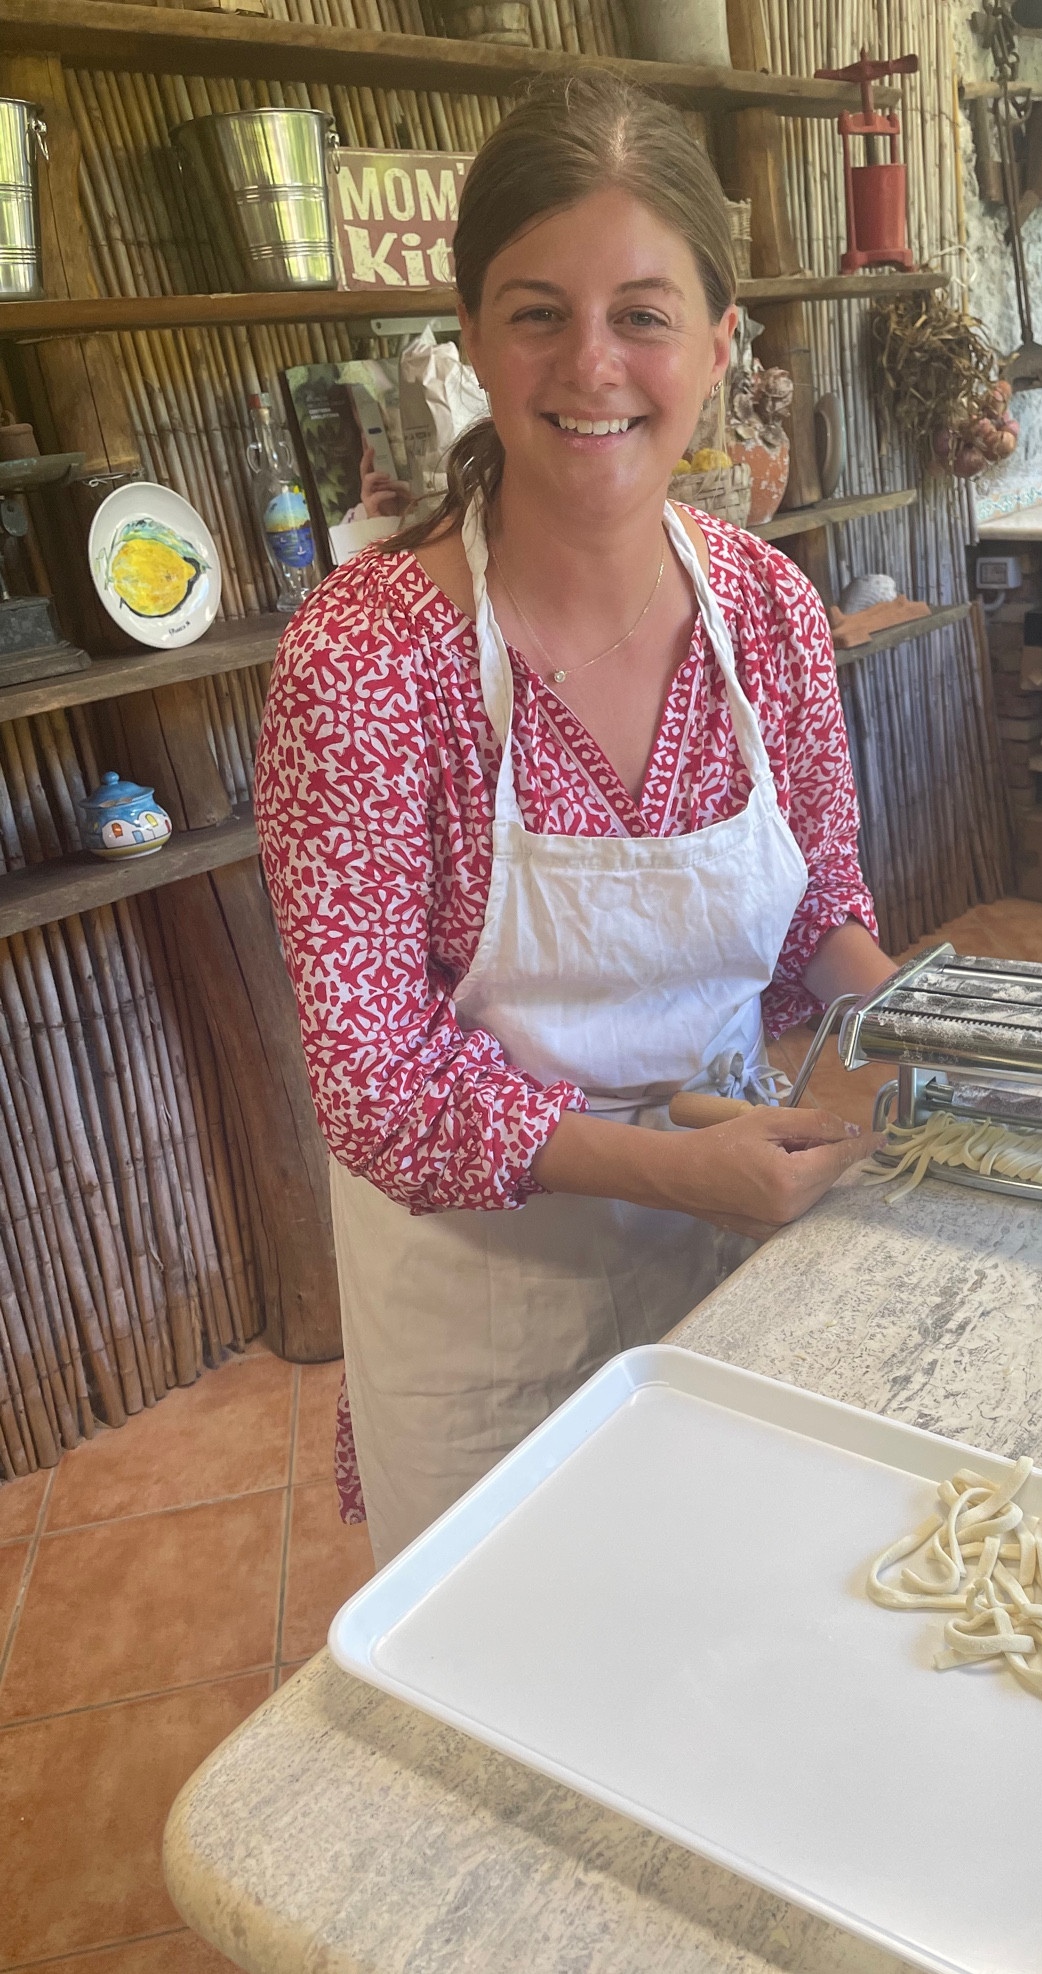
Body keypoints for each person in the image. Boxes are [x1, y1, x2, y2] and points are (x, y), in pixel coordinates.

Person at [255, 70, 897, 1568]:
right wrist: (676, 1170)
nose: (592, 364)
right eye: (538, 312)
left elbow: (818, 914)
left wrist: (940, 1032)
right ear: (473, 339)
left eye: (643, 315)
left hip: (742, 1252)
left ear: (721, 345)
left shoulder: (768, 612)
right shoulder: (366, 661)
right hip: (492, 1322)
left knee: (732, 1616)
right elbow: (378, 1083)